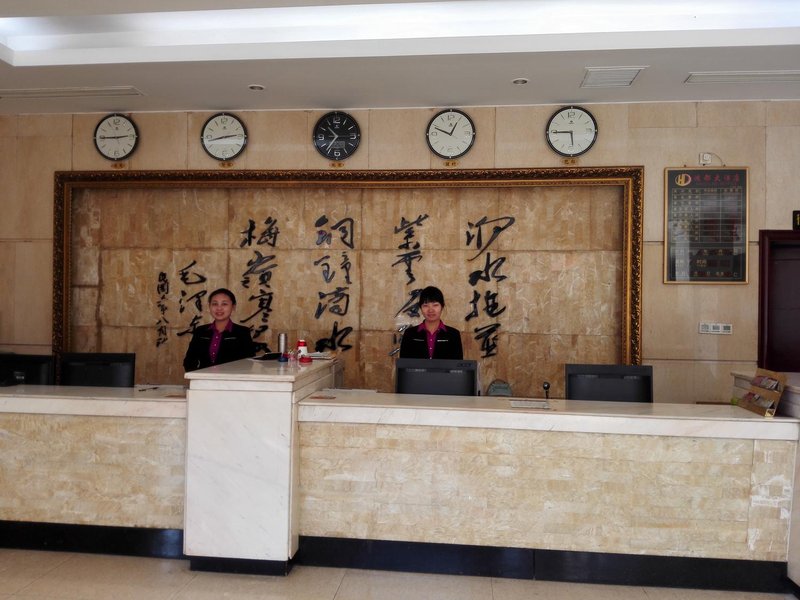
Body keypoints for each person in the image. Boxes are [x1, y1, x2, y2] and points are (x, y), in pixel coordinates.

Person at [183, 288, 256, 372]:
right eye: (215, 304)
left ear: (233, 307)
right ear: (209, 306)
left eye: (224, 304)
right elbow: (189, 361)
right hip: (203, 378)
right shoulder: (201, 331)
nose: (219, 308)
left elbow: (248, 363)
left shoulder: (242, 332)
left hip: (231, 379)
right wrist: (198, 376)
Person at [399, 286, 463, 360]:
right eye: (425, 306)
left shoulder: (454, 335)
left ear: (442, 306)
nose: (430, 310)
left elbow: (458, 365)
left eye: (435, 305)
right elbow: (403, 364)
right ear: (420, 308)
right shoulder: (409, 334)